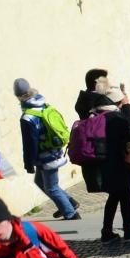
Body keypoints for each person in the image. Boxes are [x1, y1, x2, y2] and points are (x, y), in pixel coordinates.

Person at [75, 68, 130, 230]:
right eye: (105, 81)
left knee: (118, 194)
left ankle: (111, 231)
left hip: (108, 158)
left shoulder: (87, 105)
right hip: (121, 154)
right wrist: (128, 107)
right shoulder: (110, 112)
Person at [14, 80, 79, 221]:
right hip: (54, 151)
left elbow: (29, 144)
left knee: (51, 187)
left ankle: (70, 214)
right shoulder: (43, 105)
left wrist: (28, 163)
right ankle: (70, 203)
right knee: (40, 182)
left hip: (46, 156)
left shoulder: (27, 117)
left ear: (18, 96)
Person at [97, 87, 130, 243]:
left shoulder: (97, 115)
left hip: (104, 162)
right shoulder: (116, 118)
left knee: (114, 197)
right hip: (119, 162)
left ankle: (106, 232)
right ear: (118, 102)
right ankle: (129, 231)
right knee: (125, 196)